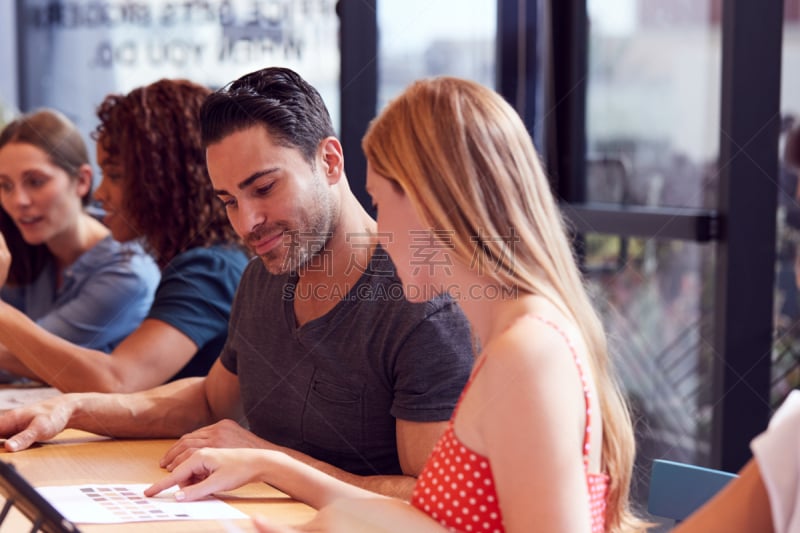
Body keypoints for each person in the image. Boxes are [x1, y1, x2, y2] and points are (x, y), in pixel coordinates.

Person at [145, 76, 647, 533]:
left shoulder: (527, 351)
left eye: (380, 202)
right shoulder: (519, 337)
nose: (377, 230)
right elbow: (436, 520)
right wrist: (269, 468)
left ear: (434, 202)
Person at [0, 67, 474, 499]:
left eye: (265, 188)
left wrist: (268, 461)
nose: (247, 223)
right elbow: (210, 400)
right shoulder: (262, 276)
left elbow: (429, 498)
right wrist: (72, 409)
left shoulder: (420, 301)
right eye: (228, 200)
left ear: (329, 162)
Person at [0, 79, 248, 392]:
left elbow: (119, 380)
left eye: (115, 176)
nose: (100, 194)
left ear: (162, 177)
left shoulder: (210, 266)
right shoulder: (190, 260)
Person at [0, 109, 159, 359]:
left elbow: (29, 355)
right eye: (5, 185)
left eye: (35, 181)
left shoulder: (127, 273)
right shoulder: (29, 249)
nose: (18, 200)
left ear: (83, 180)